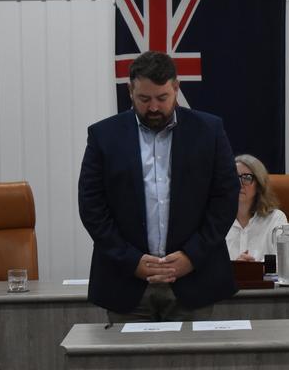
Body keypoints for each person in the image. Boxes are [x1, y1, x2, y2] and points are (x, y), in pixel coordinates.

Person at [78, 51, 239, 323]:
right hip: (126, 282)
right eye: (144, 99)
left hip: (194, 280)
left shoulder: (209, 130)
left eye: (162, 98)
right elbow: (92, 206)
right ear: (130, 91)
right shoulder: (103, 135)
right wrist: (130, 260)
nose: (153, 107)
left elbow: (225, 199)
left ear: (175, 89)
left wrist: (192, 256)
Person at [226, 154, 288, 262]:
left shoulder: (275, 219)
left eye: (246, 178)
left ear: (259, 184)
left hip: (264, 279)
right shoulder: (217, 220)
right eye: (234, 177)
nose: (239, 184)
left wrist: (255, 269)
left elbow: (285, 263)